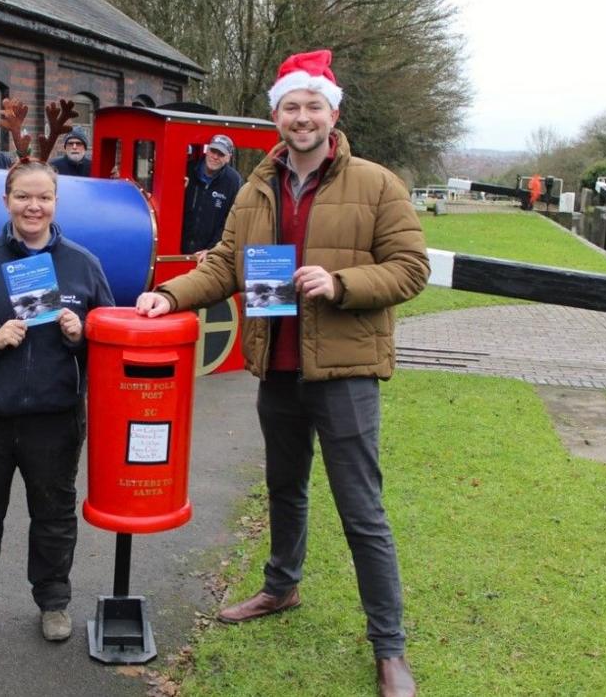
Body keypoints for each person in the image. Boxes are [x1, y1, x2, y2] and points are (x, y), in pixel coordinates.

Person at [135, 49, 428, 697]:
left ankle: (389, 646)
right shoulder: (254, 187)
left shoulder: (377, 184)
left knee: (362, 509)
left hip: (346, 372)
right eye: (291, 106)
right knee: (285, 487)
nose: (302, 117)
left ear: (334, 111)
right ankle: (280, 587)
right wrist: (171, 294)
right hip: (278, 369)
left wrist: (342, 280)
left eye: (313, 105)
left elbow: (411, 268)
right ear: (276, 114)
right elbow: (223, 265)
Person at [0, 160, 113, 644]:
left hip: (53, 418)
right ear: (6, 200)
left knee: (53, 515)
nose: (34, 206)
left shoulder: (82, 264)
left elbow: (110, 336)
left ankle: (53, 602)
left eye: (44, 198)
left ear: (56, 202)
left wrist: (83, 333)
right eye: (24, 197)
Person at [181, 133, 242, 262]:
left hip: (209, 256)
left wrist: (212, 249)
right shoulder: (187, 169)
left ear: (228, 158)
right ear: (207, 151)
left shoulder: (233, 181)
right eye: (213, 151)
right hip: (177, 250)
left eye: (221, 154)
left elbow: (230, 220)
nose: (215, 157)